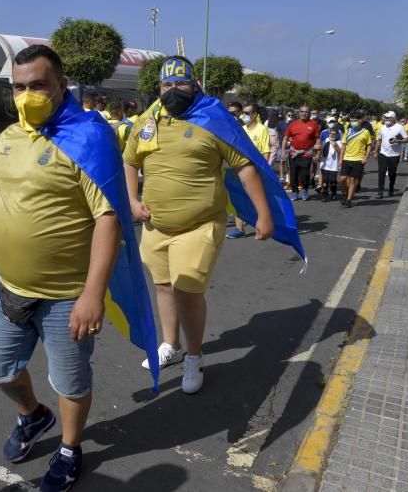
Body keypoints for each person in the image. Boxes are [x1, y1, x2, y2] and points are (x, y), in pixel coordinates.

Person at [0, 45, 141, 491]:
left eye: (38, 86)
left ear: (61, 86)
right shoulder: (7, 138)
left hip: (67, 295)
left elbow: (108, 217)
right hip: (9, 288)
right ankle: (32, 416)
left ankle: (69, 448)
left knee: (70, 380)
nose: (27, 95)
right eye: (19, 87)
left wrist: (92, 294)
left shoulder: (89, 137)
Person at [124, 57, 280, 394]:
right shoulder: (149, 120)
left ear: (194, 85)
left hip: (200, 225)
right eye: (167, 85)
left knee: (187, 289)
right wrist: (132, 200)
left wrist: (262, 213)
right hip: (155, 226)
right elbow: (130, 159)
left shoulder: (214, 119)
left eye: (181, 84)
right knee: (163, 286)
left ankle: (194, 356)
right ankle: (172, 346)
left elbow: (244, 165)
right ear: (159, 87)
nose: (173, 90)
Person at [227, 102, 271, 239]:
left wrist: (263, 169)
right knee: (238, 198)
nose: (244, 116)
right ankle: (239, 228)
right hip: (240, 169)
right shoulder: (241, 129)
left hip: (256, 171)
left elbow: (266, 151)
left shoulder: (262, 129)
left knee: (257, 200)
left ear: (254, 115)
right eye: (243, 113)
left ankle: (264, 223)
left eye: (247, 113)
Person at [282, 105, 320, 201]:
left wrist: (318, 153)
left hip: (306, 154)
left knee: (304, 174)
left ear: (309, 113)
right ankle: (295, 192)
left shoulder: (314, 124)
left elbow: (317, 139)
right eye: (302, 112)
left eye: (306, 112)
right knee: (293, 174)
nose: (304, 113)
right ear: (299, 113)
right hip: (294, 153)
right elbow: (285, 138)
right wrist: (283, 151)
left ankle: (305, 190)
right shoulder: (293, 124)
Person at [339, 112, 373, 208]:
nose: (353, 122)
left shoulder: (365, 132)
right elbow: (343, 146)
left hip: (358, 159)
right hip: (347, 158)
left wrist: (365, 157)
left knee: (353, 180)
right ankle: (345, 194)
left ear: (360, 121)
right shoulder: (348, 131)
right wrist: (340, 159)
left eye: (355, 120)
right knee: (343, 179)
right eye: (352, 120)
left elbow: (369, 145)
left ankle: (349, 200)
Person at [375, 111, 408, 198]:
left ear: (393, 118)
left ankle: (391, 188)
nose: (386, 119)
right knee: (381, 173)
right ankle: (380, 191)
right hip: (383, 153)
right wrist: (375, 152)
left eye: (388, 118)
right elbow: (379, 140)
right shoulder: (382, 127)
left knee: (392, 173)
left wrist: (398, 141)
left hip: (394, 155)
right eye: (385, 117)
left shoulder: (400, 127)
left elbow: (407, 138)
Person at [318, 121, 342, 202]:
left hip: (334, 165)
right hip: (325, 164)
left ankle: (334, 192)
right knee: (325, 181)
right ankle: (324, 194)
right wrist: (317, 156)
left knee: (332, 181)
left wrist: (335, 146)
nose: (332, 135)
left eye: (334, 134)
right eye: (331, 133)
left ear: (336, 135)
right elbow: (320, 149)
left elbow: (341, 152)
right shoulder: (325, 140)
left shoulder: (338, 142)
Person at [277, 109, 295, 186]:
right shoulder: (281, 123)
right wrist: (277, 142)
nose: (290, 117)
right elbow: (277, 132)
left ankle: (288, 177)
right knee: (282, 161)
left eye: (292, 115)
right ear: (285, 115)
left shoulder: (295, 124)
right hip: (282, 145)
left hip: (292, 145)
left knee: (290, 163)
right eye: (289, 115)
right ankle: (281, 177)